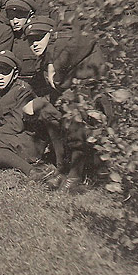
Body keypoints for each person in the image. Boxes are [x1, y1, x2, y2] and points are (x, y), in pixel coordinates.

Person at [22, 16, 109, 192]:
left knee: (73, 115)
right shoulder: (46, 58)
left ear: (50, 35)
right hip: (73, 106)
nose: (35, 44)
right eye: (31, 41)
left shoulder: (63, 53)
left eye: (39, 38)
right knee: (45, 110)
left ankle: (75, 175)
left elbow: (79, 87)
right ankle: (62, 168)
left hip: (92, 107)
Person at [0, 50, 55, 179]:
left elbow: (17, 125)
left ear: (15, 74)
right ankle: (11, 168)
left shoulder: (23, 90)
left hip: (27, 139)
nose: (0, 77)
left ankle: (31, 171)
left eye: (6, 72)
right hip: (5, 140)